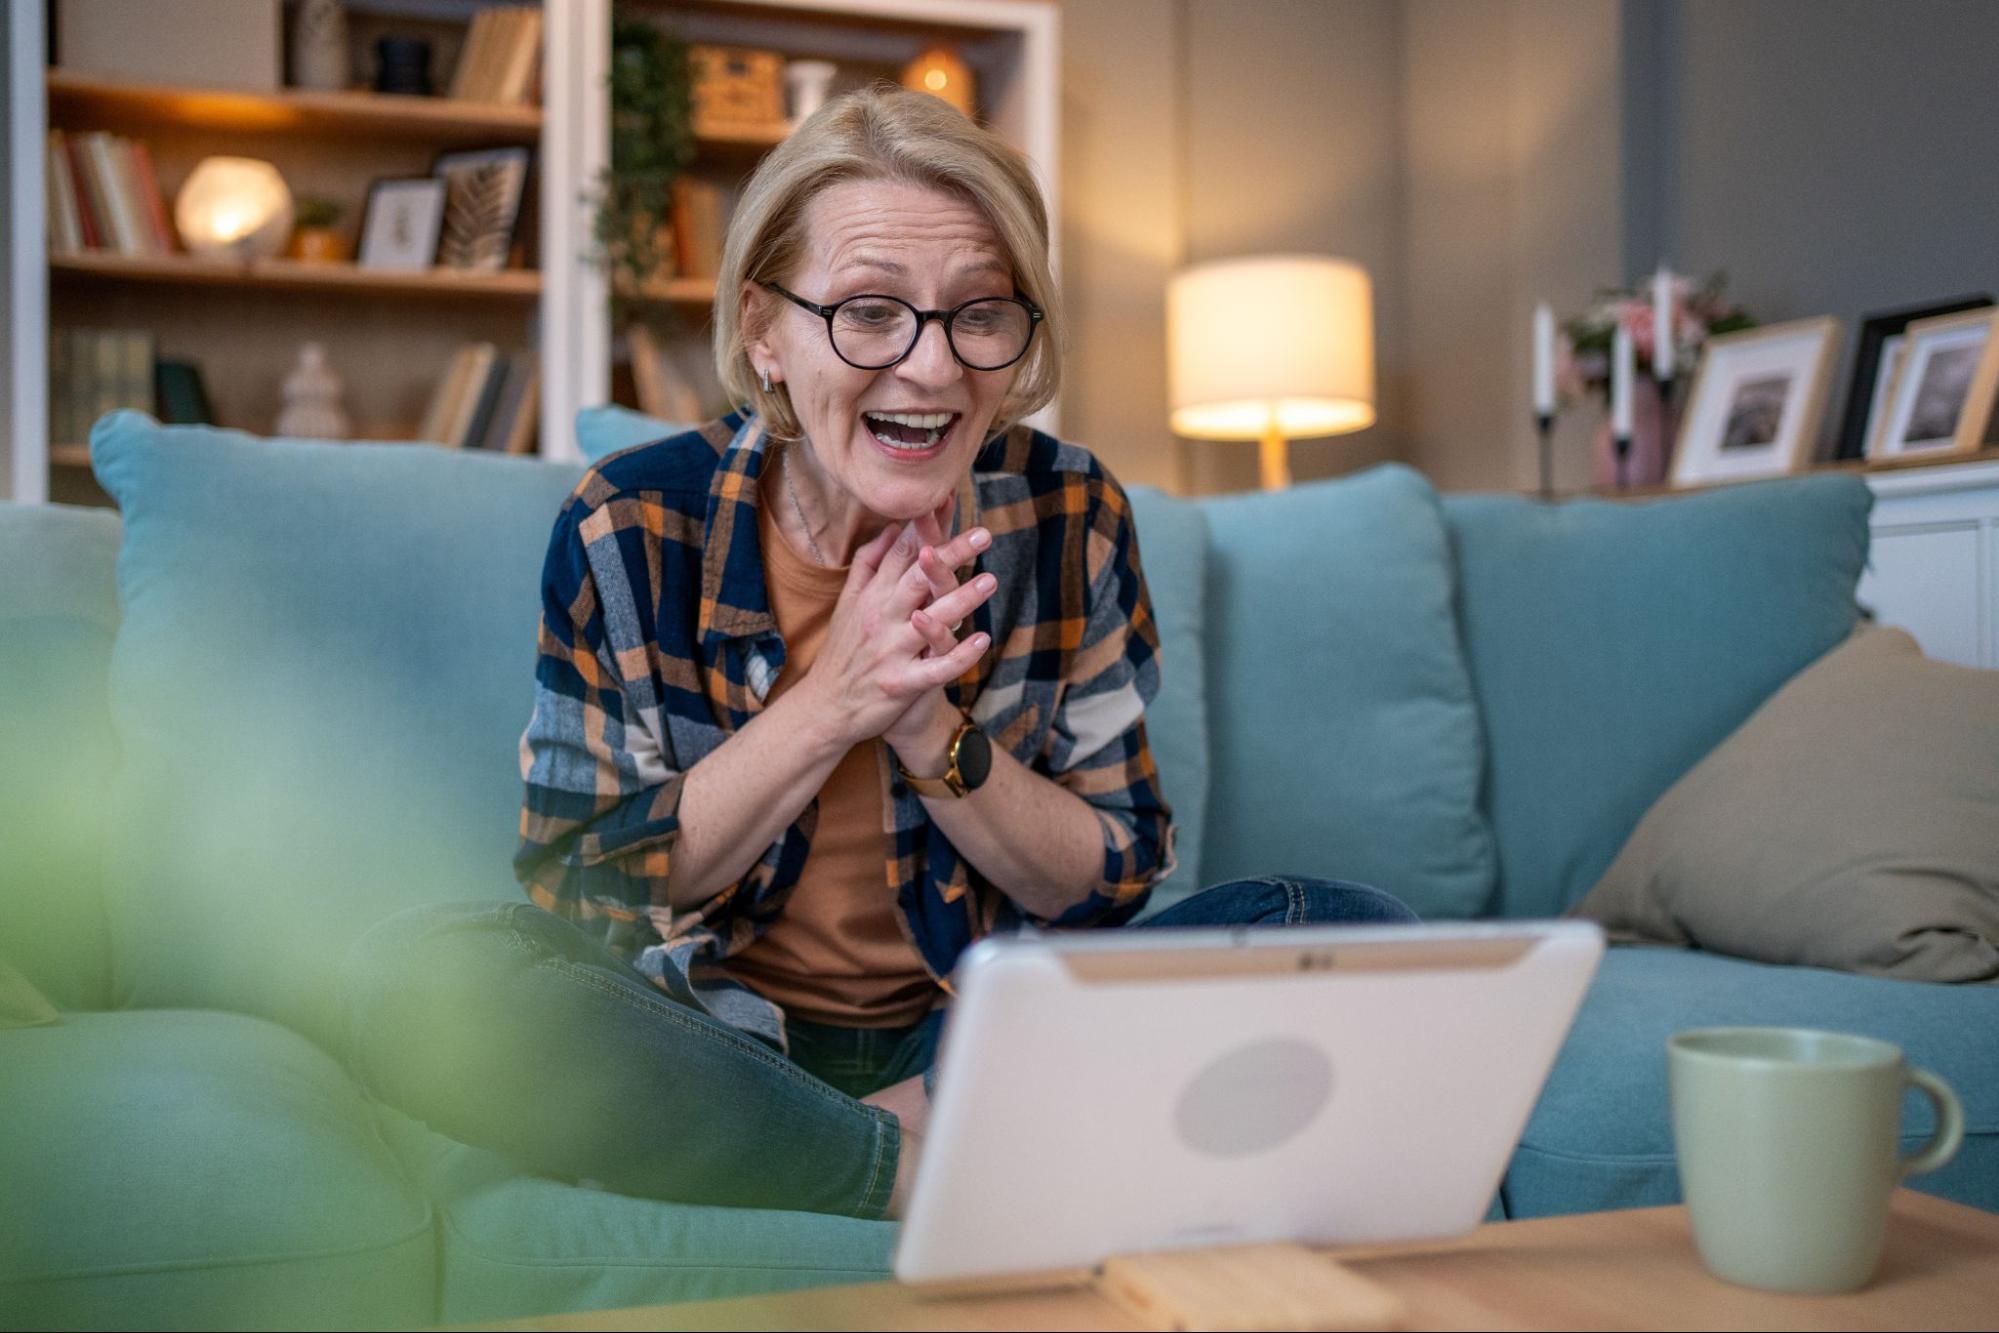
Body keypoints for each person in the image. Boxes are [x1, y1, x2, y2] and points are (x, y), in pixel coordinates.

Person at [338, 85, 1415, 1224]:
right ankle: (903, 1163)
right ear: (764, 328)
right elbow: (579, 874)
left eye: (979, 313)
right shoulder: (630, 522)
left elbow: (1111, 876)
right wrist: (835, 698)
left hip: (984, 1031)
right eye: (868, 311)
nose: (932, 367)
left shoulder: (1069, 511)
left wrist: (928, 729)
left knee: (1346, 931)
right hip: (706, 1036)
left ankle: (863, 1138)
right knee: (414, 977)